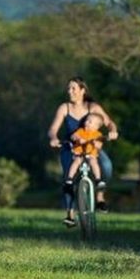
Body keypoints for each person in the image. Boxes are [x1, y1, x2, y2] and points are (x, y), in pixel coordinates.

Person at [47, 77, 119, 224]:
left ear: (82, 91)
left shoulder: (93, 107)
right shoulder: (64, 108)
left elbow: (109, 122)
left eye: (73, 88)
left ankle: (100, 196)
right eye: (68, 88)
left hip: (91, 146)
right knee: (69, 176)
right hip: (71, 147)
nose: (70, 91)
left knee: (106, 166)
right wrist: (54, 138)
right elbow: (53, 129)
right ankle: (70, 214)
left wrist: (113, 131)